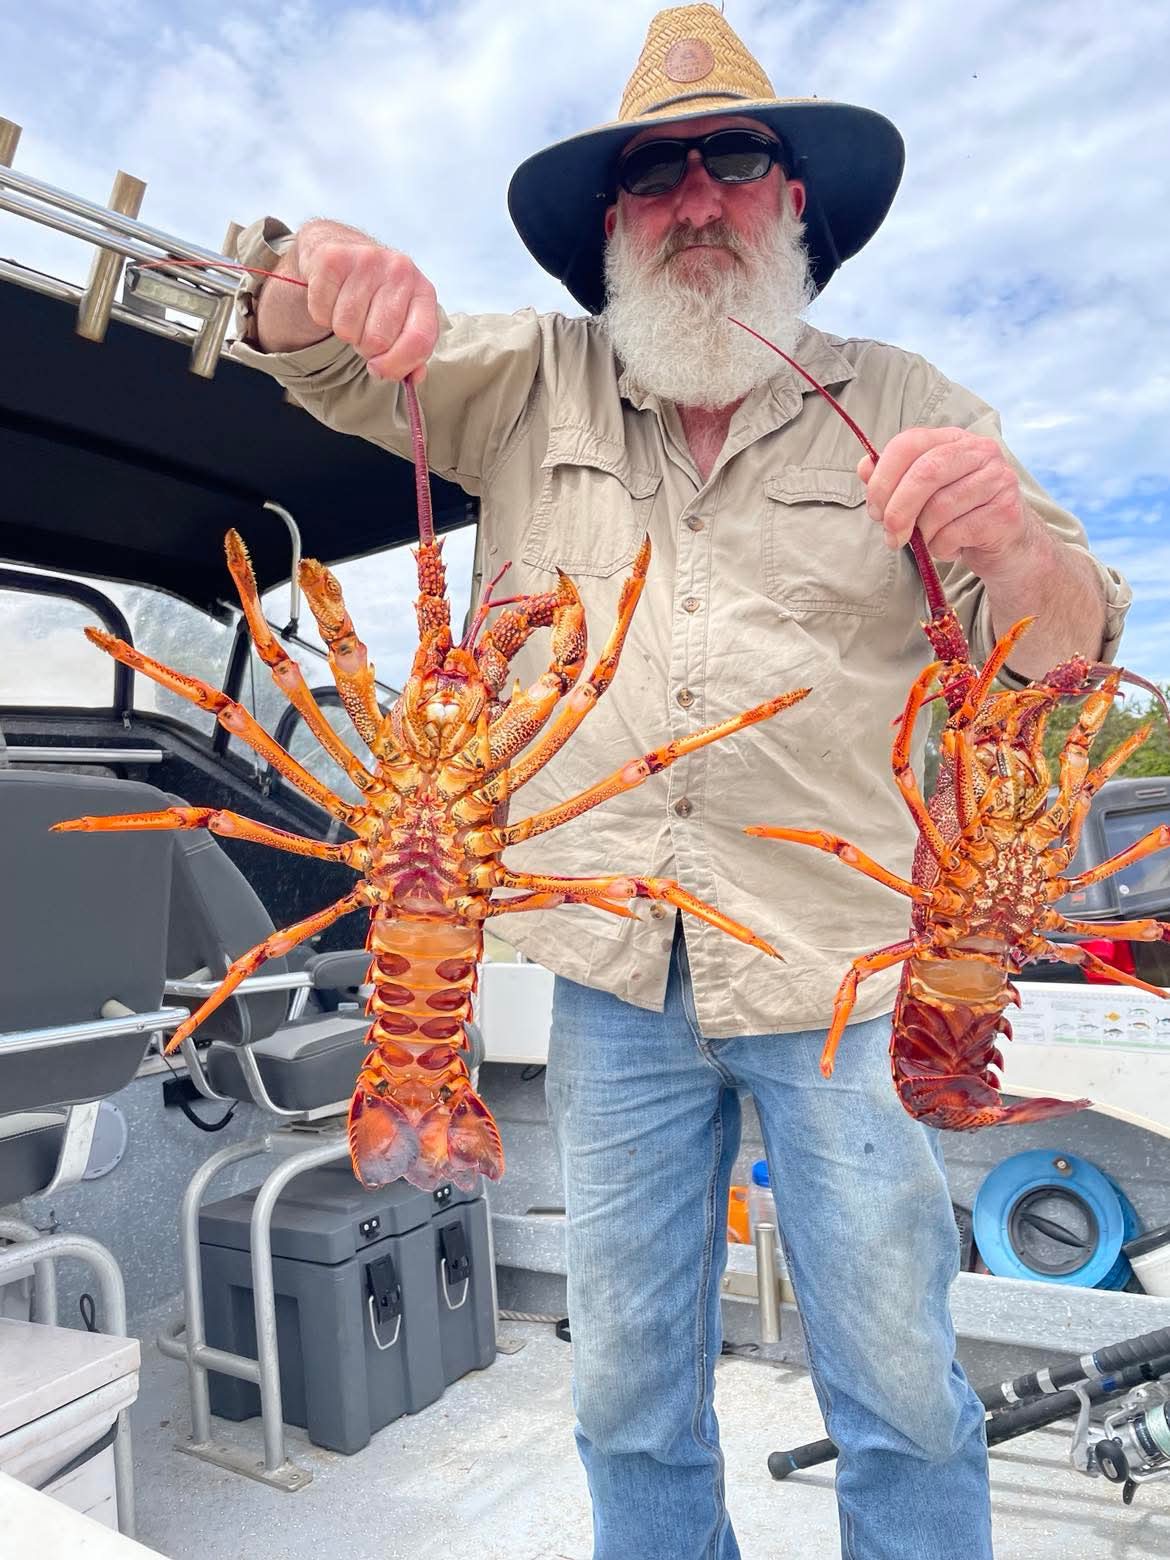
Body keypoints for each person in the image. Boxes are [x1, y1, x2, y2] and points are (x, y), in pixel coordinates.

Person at [230, 6, 1131, 1556]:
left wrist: (1009, 541)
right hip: (600, 981)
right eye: (653, 177)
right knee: (624, 1388)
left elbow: (1063, 653)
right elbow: (313, 354)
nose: (695, 199)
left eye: (733, 161)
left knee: (904, 1387)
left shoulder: (912, 401)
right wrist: (307, 269)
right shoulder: (525, 379)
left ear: (794, 203)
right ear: (610, 227)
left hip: (841, 975)